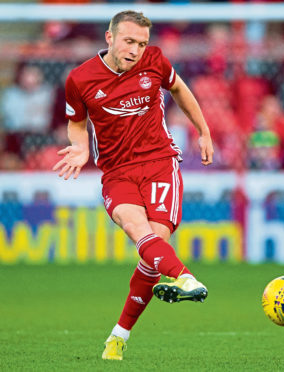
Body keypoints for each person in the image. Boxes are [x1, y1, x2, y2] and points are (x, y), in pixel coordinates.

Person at [52, 10, 214, 361]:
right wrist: (80, 148)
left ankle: (118, 337)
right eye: (129, 42)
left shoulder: (155, 61)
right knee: (136, 228)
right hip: (117, 171)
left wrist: (203, 130)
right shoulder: (79, 79)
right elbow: (77, 124)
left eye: (142, 43)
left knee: (154, 254)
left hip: (160, 164)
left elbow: (180, 89)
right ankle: (186, 278)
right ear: (110, 38)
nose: (136, 50)